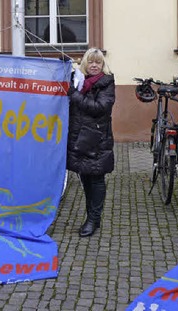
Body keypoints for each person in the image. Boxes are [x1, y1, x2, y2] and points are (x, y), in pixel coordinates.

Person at [66, 48, 115, 237]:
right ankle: (92, 217)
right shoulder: (80, 81)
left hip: (96, 139)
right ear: (85, 63)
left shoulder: (106, 83)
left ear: (103, 65)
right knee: (85, 177)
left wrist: (75, 95)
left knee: (96, 178)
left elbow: (99, 107)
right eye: (91, 62)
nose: (94, 65)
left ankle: (94, 219)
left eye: (98, 62)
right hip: (80, 137)